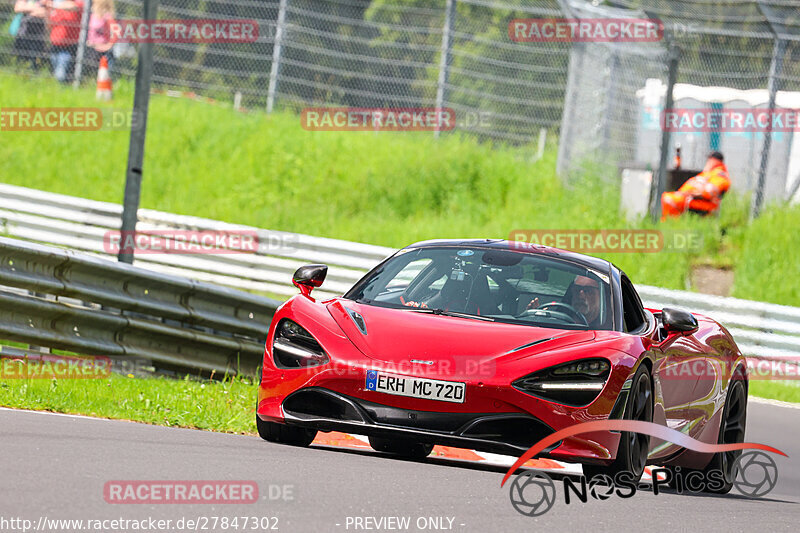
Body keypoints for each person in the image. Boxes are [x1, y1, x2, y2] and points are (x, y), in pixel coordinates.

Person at [661, 151, 730, 219]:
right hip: (688, 198)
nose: (708, 162)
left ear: (715, 161)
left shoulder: (720, 174)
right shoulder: (708, 173)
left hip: (700, 202)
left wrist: (690, 194)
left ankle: (669, 226)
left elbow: (709, 192)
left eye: (710, 159)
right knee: (664, 197)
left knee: (667, 199)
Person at [526, 275, 602, 328]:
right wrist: (533, 319)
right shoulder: (557, 321)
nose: (580, 296)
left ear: (600, 295)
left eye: (588, 291)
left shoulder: (607, 328)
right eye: (576, 290)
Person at [46, 0, 84, 83]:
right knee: (55, 71)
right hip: (55, 45)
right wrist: (49, 11)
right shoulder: (58, 9)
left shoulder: (78, 2)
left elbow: (74, 7)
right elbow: (49, 25)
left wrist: (54, 6)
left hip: (68, 46)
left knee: (60, 75)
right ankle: (58, 90)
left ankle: (61, 90)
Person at [12, 0, 48, 70]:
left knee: (35, 52)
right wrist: (35, 9)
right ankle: (19, 68)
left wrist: (28, 9)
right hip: (24, 30)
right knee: (21, 50)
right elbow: (17, 8)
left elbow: (44, 12)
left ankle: (33, 68)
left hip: (38, 31)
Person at [85, 0, 116, 76]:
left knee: (103, 75)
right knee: (89, 74)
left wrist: (108, 45)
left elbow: (116, 31)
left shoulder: (106, 15)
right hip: (91, 49)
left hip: (103, 51)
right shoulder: (90, 14)